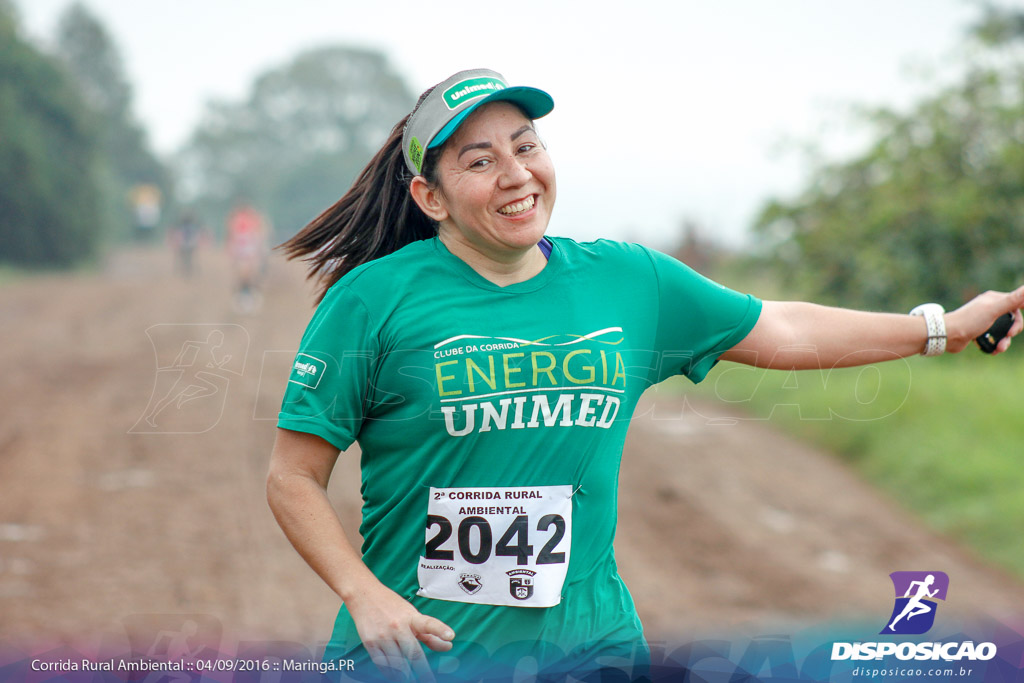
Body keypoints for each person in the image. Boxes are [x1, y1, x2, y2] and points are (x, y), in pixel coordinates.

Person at [266, 68, 1024, 681]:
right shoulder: (374, 302)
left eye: (525, 146)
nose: (514, 173)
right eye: (478, 160)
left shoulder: (629, 282)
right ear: (430, 197)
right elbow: (292, 476)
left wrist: (943, 327)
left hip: (588, 650)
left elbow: (784, 326)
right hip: (417, 655)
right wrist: (363, 593)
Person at [226, 199, 269, 313]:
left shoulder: (253, 219)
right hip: (243, 249)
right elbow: (232, 236)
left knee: (251, 274)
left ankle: (252, 297)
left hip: (250, 248)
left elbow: (260, 234)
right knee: (242, 275)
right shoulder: (236, 220)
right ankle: (242, 298)